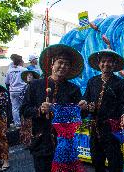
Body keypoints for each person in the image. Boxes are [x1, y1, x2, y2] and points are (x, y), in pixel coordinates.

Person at [20, 44, 85, 172]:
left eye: (67, 64)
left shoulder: (73, 89)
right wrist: (40, 110)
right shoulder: (35, 85)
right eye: (60, 62)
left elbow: (79, 117)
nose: (63, 66)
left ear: (70, 68)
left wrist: (83, 108)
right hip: (41, 141)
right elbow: (24, 110)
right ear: (52, 65)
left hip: (65, 143)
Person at [79, 49, 124, 172]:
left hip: (112, 129)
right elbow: (86, 99)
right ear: (99, 64)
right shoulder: (92, 81)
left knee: (115, 162)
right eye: (103, 61)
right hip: (95, 128)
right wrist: (86, 105)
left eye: (109, 62)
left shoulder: (120, 83)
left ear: (114, 65)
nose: (106, 64)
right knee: (97, 161)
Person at [19, 70, 40, 148]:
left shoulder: (36, 87)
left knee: (31, 126)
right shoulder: (25, 86)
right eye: (28, 75)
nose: (29, 76)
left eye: (31, 75)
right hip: (25, 109)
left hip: (33, 109)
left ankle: (32, 142)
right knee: (26, 127)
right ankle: (28, 142)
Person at [5, 54, 27, 127]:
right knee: (24, 106)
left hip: (13, 91)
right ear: (20, 61)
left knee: (15, 108)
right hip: (22, 91)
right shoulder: (24, 70)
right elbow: (28, 81)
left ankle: (17, 124)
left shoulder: (9, 70)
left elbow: (7, 82)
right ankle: (25, 123)